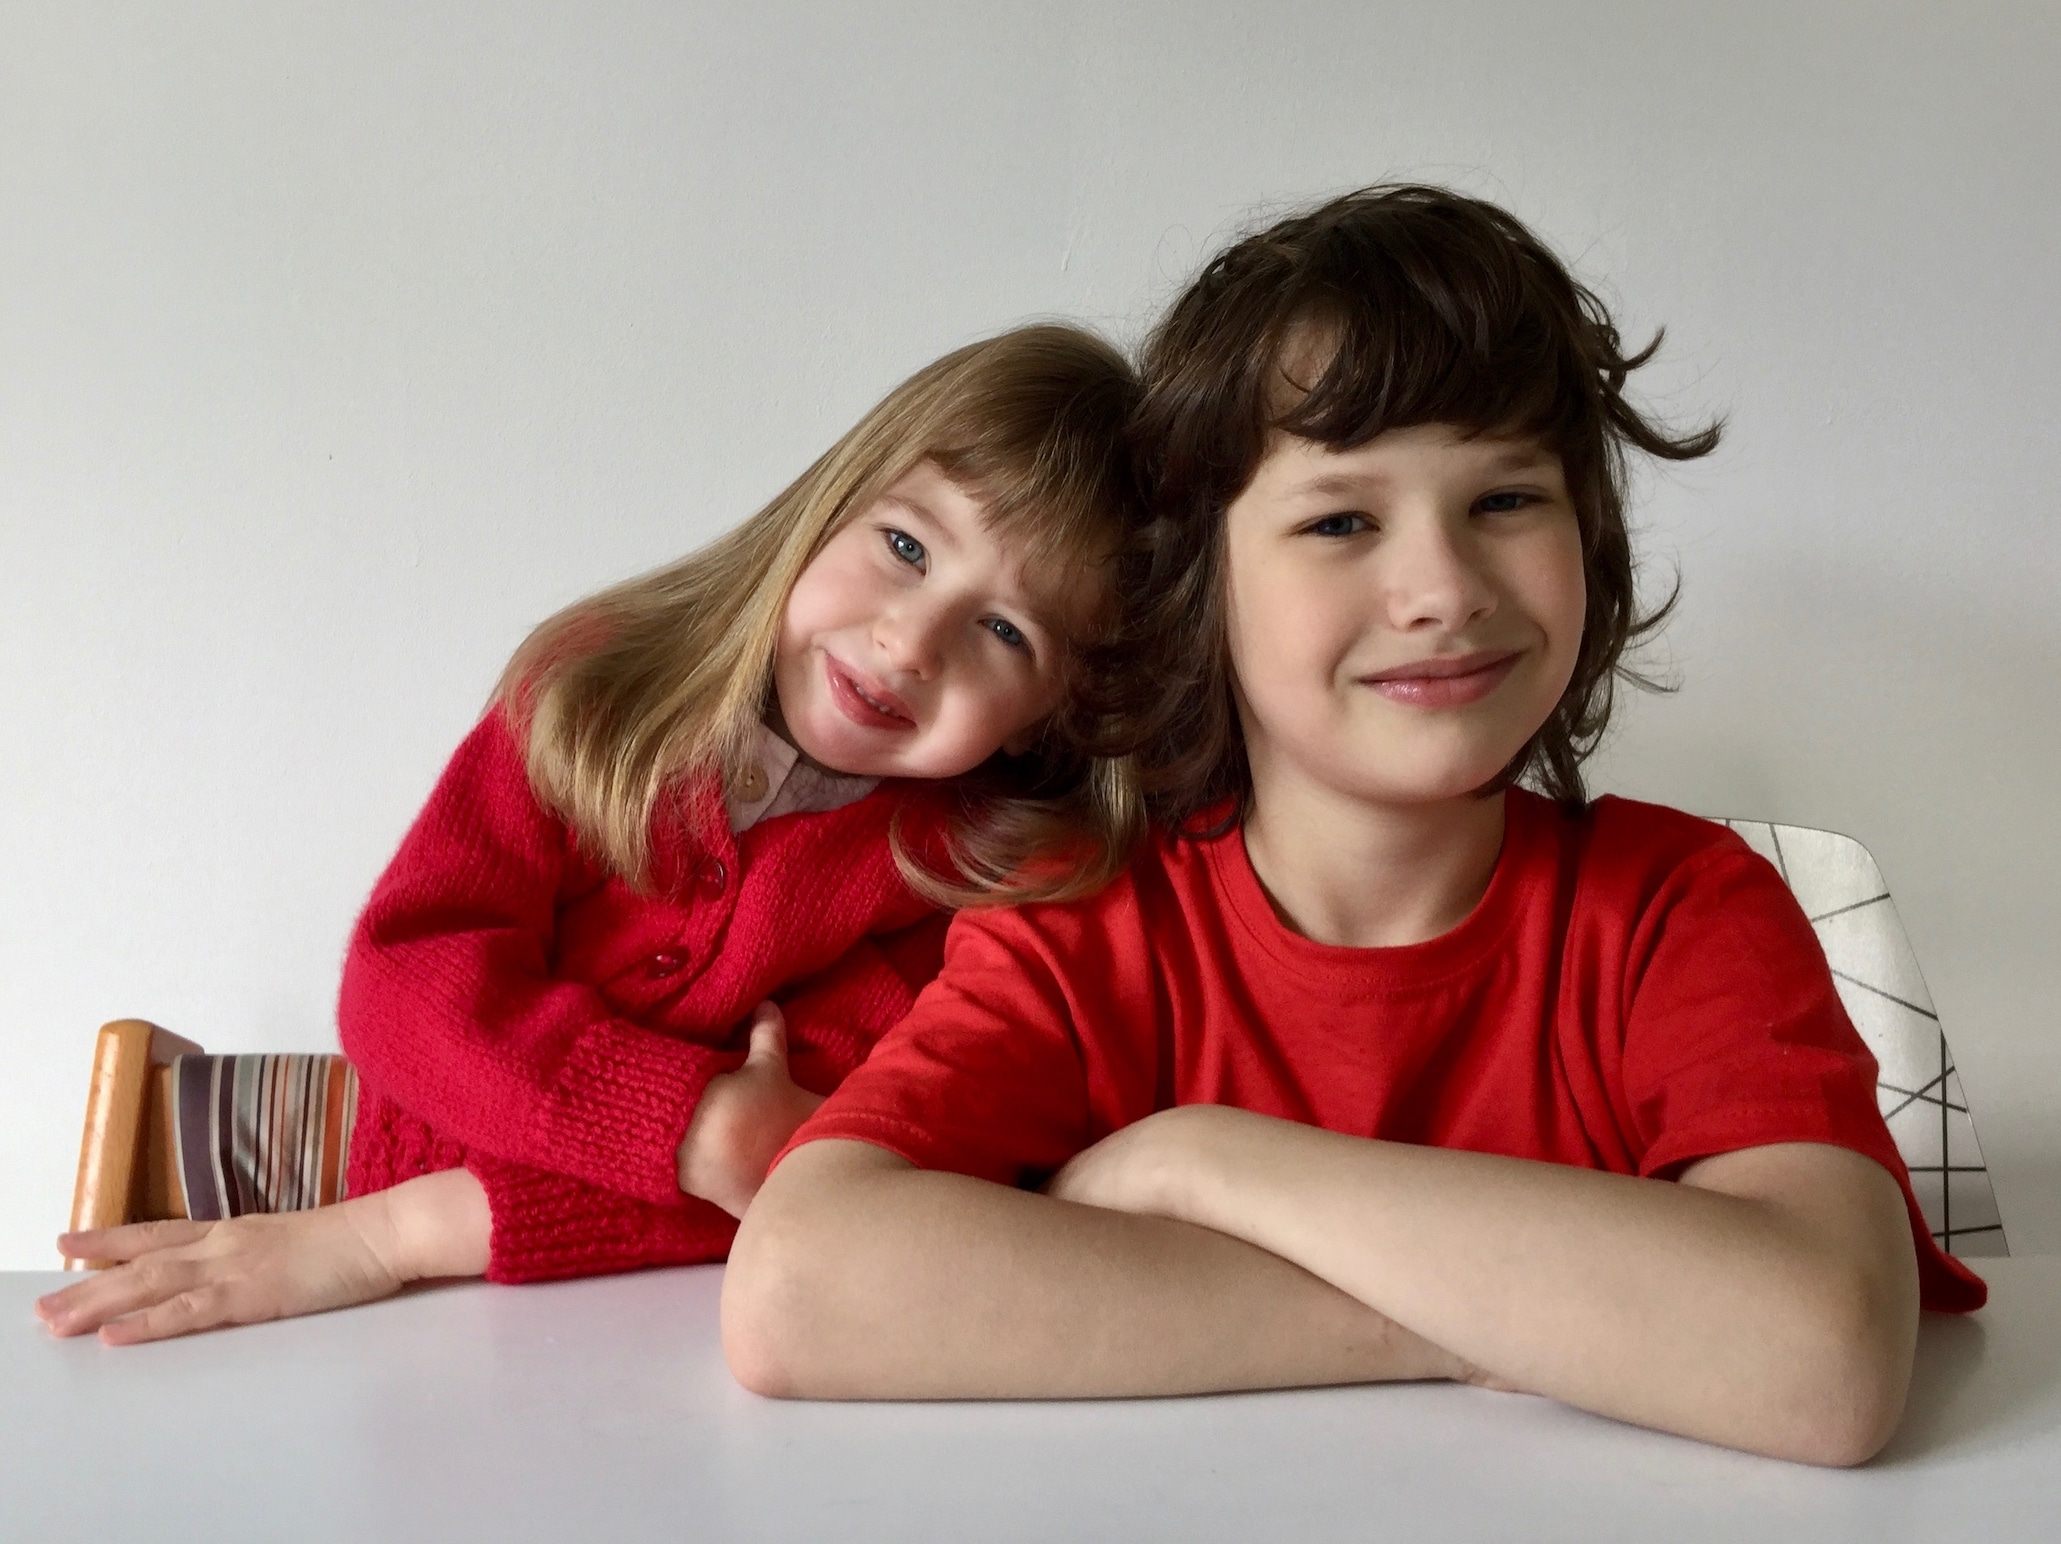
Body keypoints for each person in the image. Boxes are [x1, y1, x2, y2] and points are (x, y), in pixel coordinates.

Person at [720, 186, 1987, 1468]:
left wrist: (1208, 1163)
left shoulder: (1684, 908)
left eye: (1505, 498)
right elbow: (798, 1287)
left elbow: (1823, 1360)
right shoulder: (1080, 919)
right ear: (1200, 591)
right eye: (1341, 519)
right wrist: (1475, 1322)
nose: (1442, 588)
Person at [38, 323, 1144, 1343]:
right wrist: (685, 1124)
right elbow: (407, 978)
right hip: (358, 1284)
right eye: (905, 544)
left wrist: (408, 1234)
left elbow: (805, 1174)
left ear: (1058, 711)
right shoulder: (599, 691)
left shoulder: (969, 884)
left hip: (642, 1331)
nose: (910, 642)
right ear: (828, 504)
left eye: (1005, 629)